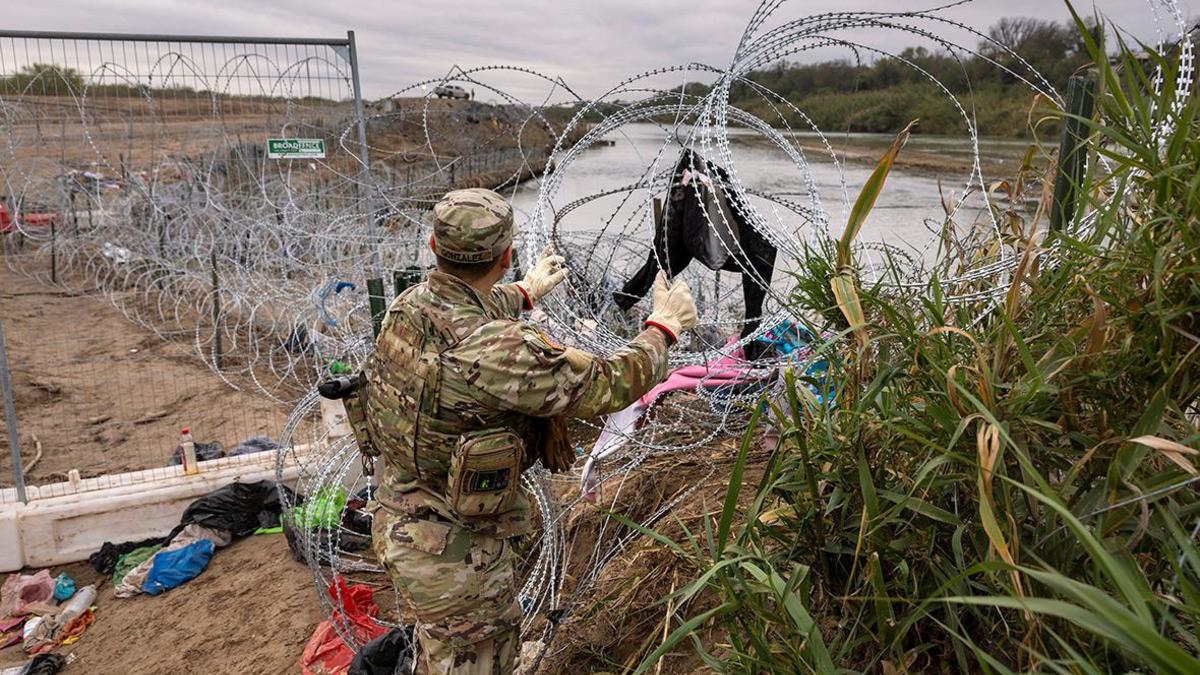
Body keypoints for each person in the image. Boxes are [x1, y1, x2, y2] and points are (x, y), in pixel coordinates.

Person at [362, 188, 697, 674]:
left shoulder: (409, 307)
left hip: (402, 515)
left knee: (441, 651)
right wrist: (663, 328)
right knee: (473, 661)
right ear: (506, 255)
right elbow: (606, 385)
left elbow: (464, 310)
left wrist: (524, 292)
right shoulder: (499, 349)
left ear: (434, 248)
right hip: (455, 554)